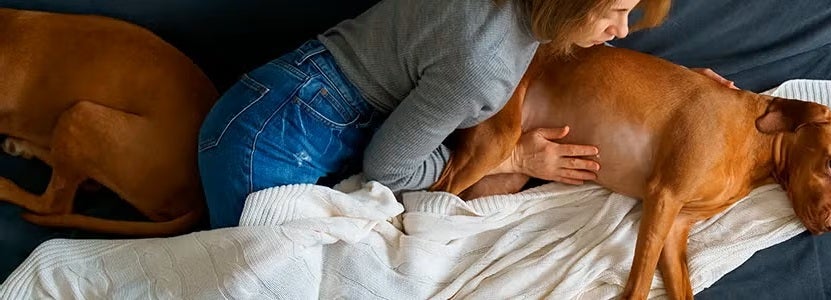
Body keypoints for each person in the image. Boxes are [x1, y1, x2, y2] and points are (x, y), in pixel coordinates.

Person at [196, 0, 733, 228]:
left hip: (277, 95)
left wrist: (688, 88)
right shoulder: (486, 66)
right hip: (269, 141)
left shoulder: (522, 16)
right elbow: (389, 170)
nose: (620, 29)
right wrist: (514, 157)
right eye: (615, 12)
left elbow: (565, 39)